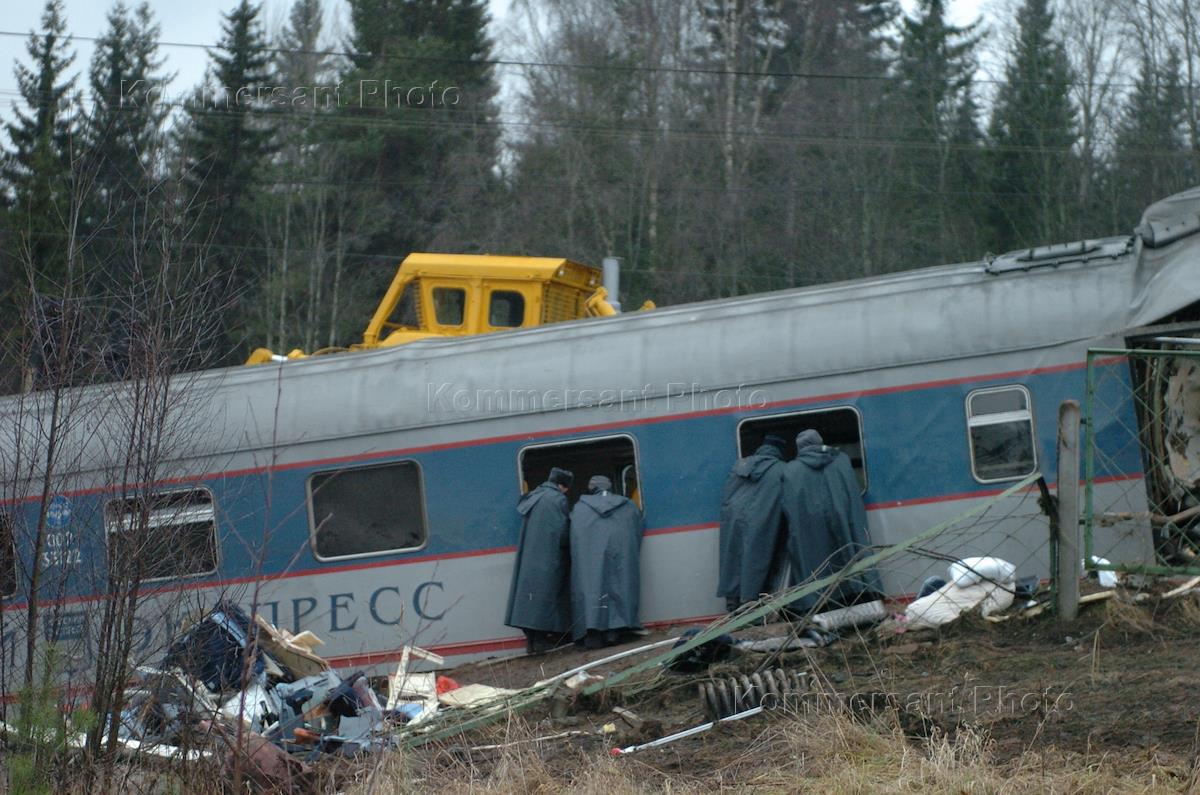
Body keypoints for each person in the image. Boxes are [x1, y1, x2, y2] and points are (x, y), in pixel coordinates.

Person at [781, 429, 881, 612]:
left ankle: (820, 605)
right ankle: (858, 594)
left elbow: (790, 507)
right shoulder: (841, 461)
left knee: (817, 566)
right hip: (844, 523)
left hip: (811, 531)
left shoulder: (791, 470)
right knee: (850, 558)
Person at [569, 475, 645, 649]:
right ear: (609, 487)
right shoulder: (627, 505)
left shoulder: (580, 509)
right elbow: (637, 527)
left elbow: (574, 535)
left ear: (591, 488)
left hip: (590, 560)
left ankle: (594, 635)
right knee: (620, 587)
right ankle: (616, 633)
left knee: (591, 591)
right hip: (620, 556)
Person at [504, 467, 573, 653]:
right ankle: (541, 642)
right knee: (546, 597)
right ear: (562, 485)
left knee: (530, 599)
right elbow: (563, 533)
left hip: (529, 558)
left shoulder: (534, 496)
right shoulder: (557, 499)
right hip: (548, 557)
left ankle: (532, 643)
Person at [717, 434, 787, 611]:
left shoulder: (740, 465)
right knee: (757, 563)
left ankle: (732, 605)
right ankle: (749, 607)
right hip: (762, 522)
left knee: (732, 562)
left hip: (733, 522)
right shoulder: (781, 469)